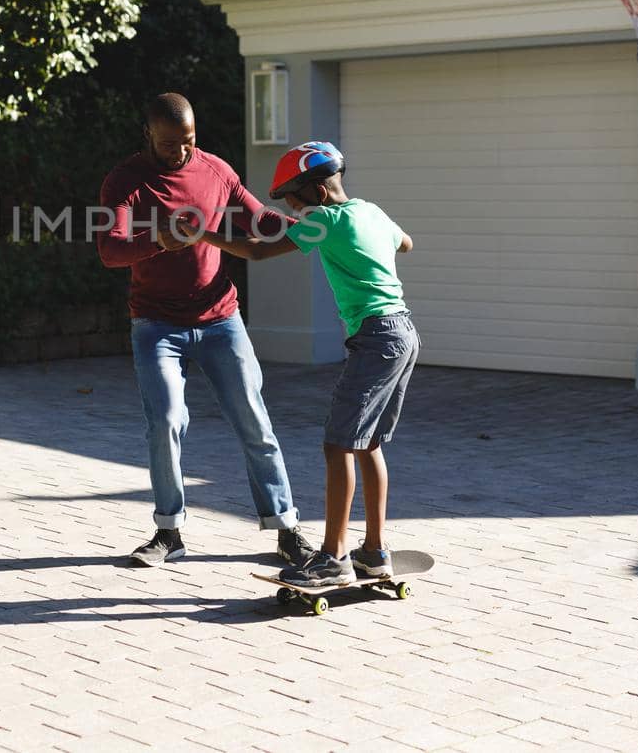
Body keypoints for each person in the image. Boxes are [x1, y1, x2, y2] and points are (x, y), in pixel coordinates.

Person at [181, 140, 417, 588]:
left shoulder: (323, 221)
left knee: (338, 445)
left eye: (293, 199)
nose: (291, 208)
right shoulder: (371, 212)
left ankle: (334, 558)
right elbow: (406, 243)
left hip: (375, 337)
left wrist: (201, 235)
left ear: (319, 194)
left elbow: (256, 251)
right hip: (403, 332)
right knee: (368, 444)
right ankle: (374, 552)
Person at [98, 93, 316, 568]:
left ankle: (286, 529)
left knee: (255, 422)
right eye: (169, 143)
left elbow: (258, 218)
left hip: (221, 320)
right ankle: (168, 531)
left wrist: (312, 225)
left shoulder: (215, 170)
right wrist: (156, 238)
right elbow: (111, 250)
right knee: (167, 422)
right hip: (156, 325)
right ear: (148, 136)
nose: (181, 152)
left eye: (189, 141)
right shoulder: (126, 179)